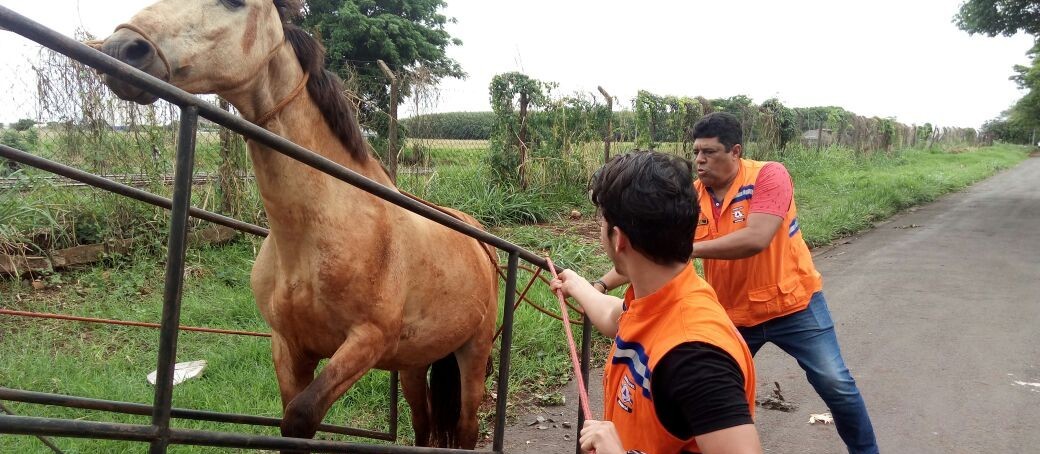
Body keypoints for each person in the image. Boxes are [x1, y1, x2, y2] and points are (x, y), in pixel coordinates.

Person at [594, 112, 879, 454]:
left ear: (735, 151)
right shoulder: (692, 196)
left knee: (836, 384)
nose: (699, 160)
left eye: (710, 152)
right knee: (704, 398)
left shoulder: (768, 176)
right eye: (696, 151)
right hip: (734, 313)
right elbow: (645, 250)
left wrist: (681, 247)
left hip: (792, 305)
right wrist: (600, 283)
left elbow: (756, 238)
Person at [551, 151, 762, 454]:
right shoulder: (669, 295)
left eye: (602, 221)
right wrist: (579, 286)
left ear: (619, 238)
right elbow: (618, 317)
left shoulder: (695, 358)